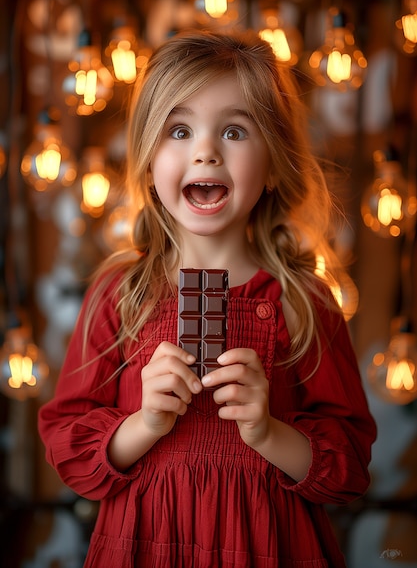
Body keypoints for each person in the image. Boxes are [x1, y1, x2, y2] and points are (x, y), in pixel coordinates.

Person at [38, 29, 377, 568]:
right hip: (145, 543)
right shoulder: (121, 295)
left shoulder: (304, 301)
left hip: (269, 546)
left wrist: (268, 432)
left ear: (272, 165)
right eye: (179, 130)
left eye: (236, 132)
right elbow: (69, 445)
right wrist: (144, 423)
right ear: (149, 164)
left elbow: (350, 466)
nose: (205, 152)